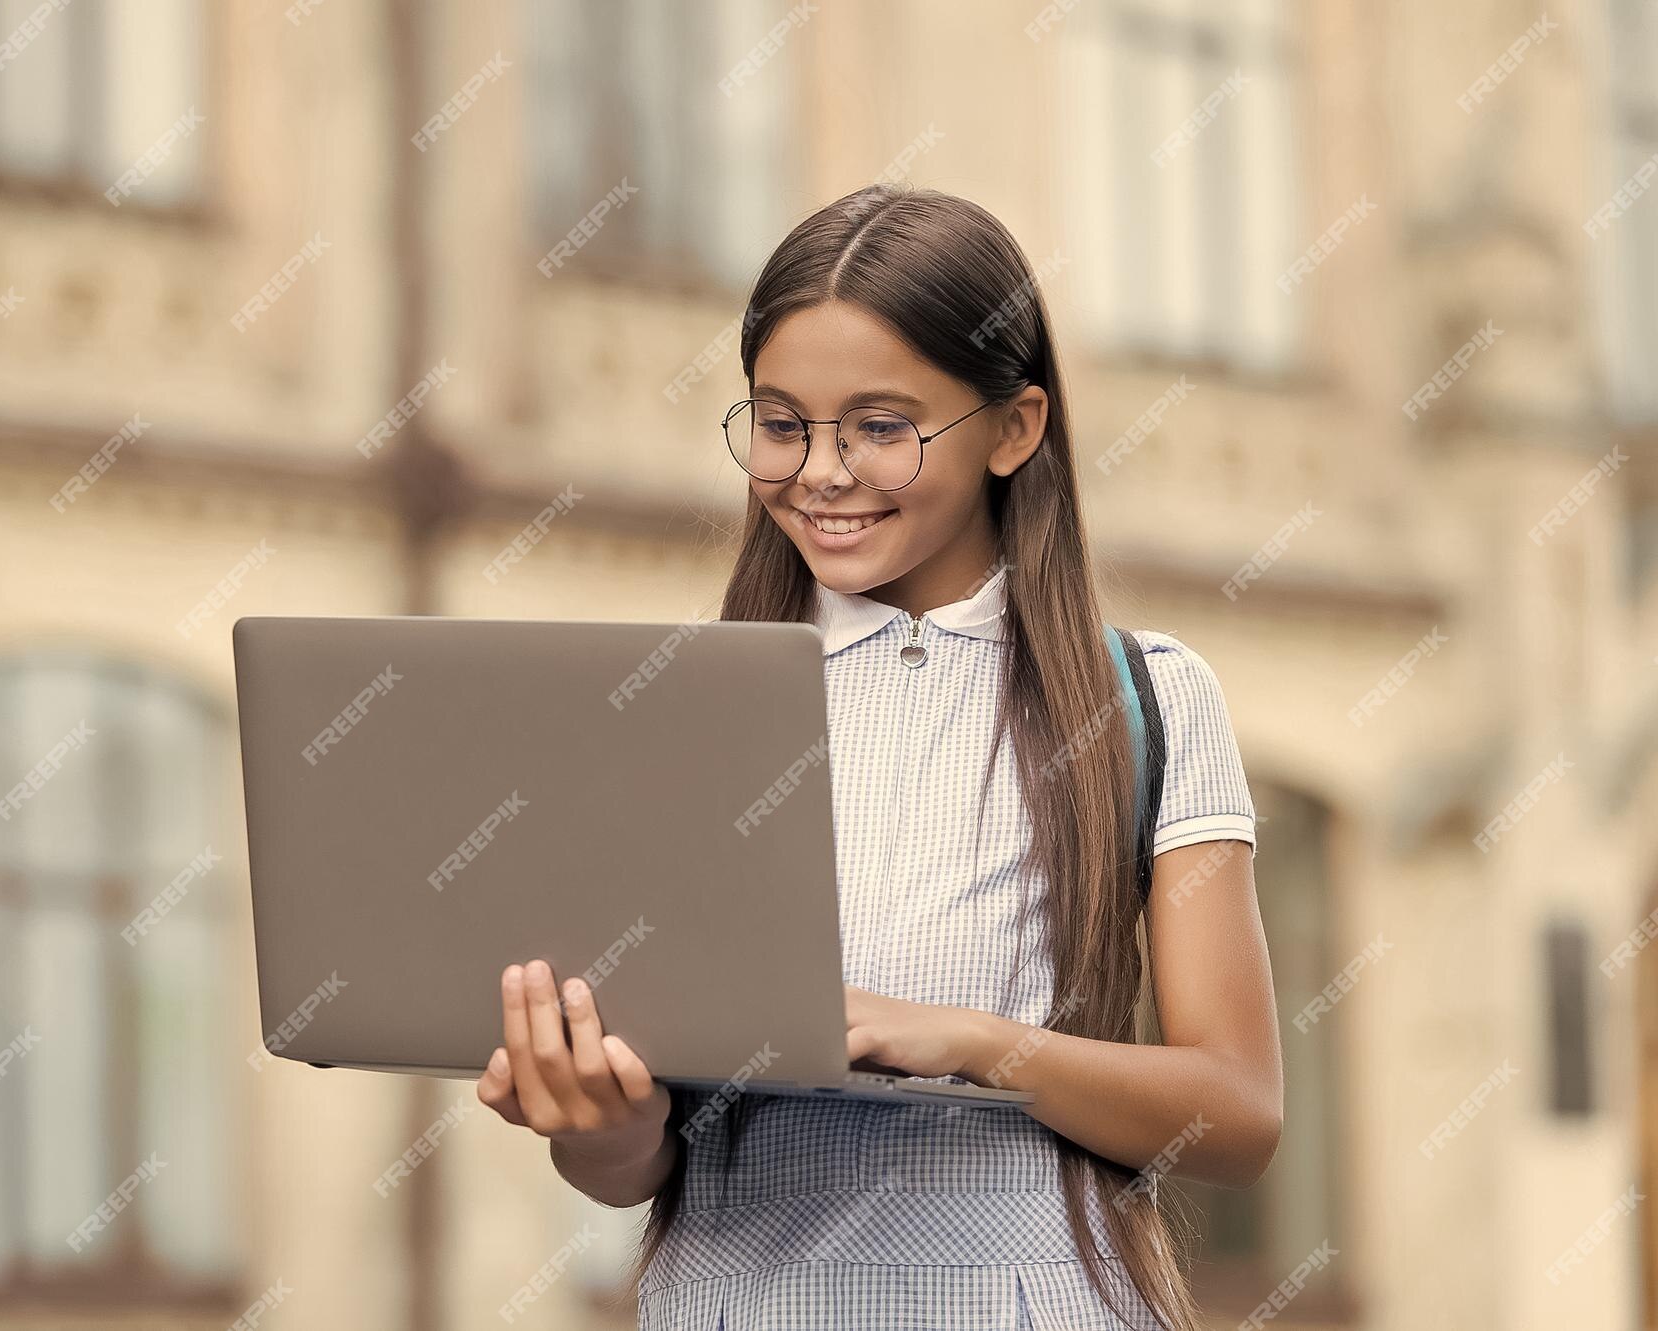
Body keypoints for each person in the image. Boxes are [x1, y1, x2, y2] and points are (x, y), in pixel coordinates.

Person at [475, 183, 1282, 1330]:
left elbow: (1236, 1111)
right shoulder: (676, 708)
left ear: (1014, 428)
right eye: (780, 420)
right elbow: (630, 1172)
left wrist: (968, 1041)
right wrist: (594, 1119)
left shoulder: (1146, 696)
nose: (819, 470)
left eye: (880, 425)